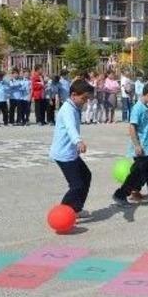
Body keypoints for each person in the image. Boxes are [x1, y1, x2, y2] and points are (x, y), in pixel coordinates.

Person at [112, 82, 148, 207]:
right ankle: (120, 195)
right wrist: (136, 145)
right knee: (136, 174)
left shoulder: (146, 106)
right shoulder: (137, 108)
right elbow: (132, 127)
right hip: (141, 148)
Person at [50, 78, 95, 218]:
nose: (85, 102)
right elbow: (70, 128)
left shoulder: (74, 107)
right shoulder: (67, 109)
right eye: (84, 98)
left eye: (88, 99)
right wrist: (78, 141)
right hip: (64, 154)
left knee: (86, 176)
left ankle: (76, 209)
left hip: (71, 153)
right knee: (76, 185)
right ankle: (62, 213)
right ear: (74, 95)